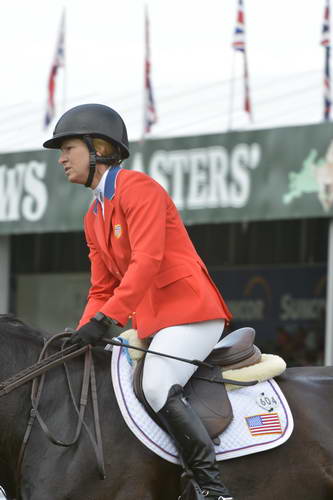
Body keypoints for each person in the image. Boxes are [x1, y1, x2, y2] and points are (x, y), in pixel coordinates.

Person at [43, 103, 234, 500]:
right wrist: (81, 332)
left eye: (68, 149)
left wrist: (106, 320)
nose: (61, 159)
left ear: (98, 148)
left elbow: (147, 262)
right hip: (155, 321)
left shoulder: (139, 188)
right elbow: (101, 289)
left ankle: (213, 488)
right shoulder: (94, 216)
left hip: (191, 313)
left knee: (157, 383)